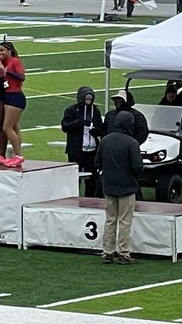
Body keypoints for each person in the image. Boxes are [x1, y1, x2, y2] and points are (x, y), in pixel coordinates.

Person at [95, 110, 143, 265]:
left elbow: (97, 162)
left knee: (110, 219)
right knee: (124, 220)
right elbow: (137, 167)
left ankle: (107, 252)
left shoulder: (106, 140)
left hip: (108, 185)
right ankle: (124, 253)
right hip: (127, 186)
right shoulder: (131, 143)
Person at [61, 86, 103, 197]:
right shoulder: (71, 110)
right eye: (86, 99)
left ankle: (91, 200)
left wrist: (96, 131)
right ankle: (74, 198)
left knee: (92, 179)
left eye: (90, 99)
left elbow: (101, 128)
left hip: (92, 150)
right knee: (75, 177)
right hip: (76, 150)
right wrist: (79, 123)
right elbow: (65, 126)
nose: (88, 101)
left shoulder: (96, 111)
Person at [0, 40, 26, 167]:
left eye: (2, 50)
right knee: (14, 127)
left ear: (10, 51)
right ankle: (16, 154)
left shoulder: (14, 61)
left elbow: (21, 77)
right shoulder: (5, 63)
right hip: (8, 96)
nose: (0, 53)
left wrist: (5, 71)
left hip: (15, 97)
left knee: (6, 127)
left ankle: (18, 155)